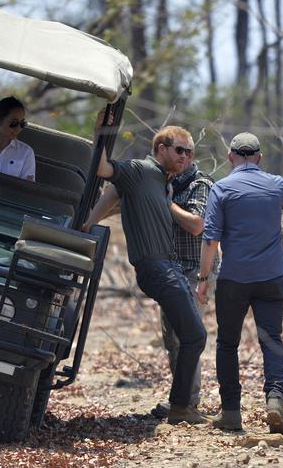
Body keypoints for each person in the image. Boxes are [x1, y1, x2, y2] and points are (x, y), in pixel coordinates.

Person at [84, 140, 215, 419]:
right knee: (193, 336)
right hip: (159, 268)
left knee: (186, 337)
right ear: (161, 148)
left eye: (189, 152)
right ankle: (182, 406)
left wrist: (89, 222)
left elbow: (113, 193)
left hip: (174, 270)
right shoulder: (143, 170)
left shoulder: (166, 180)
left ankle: (183, 404)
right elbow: (105, 170)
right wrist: (103, 130)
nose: (184, 157)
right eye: (179, 150)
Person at [196, 132, 283, 434]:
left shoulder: (221, 188)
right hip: (272, 276)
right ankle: (275, 400)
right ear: (259, 158)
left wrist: (203, 280)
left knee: (227, 343)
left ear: (229, 156)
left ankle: (232, 413)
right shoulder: (277, 185)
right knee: (271, 340)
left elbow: (211, 239)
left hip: (234, 279)